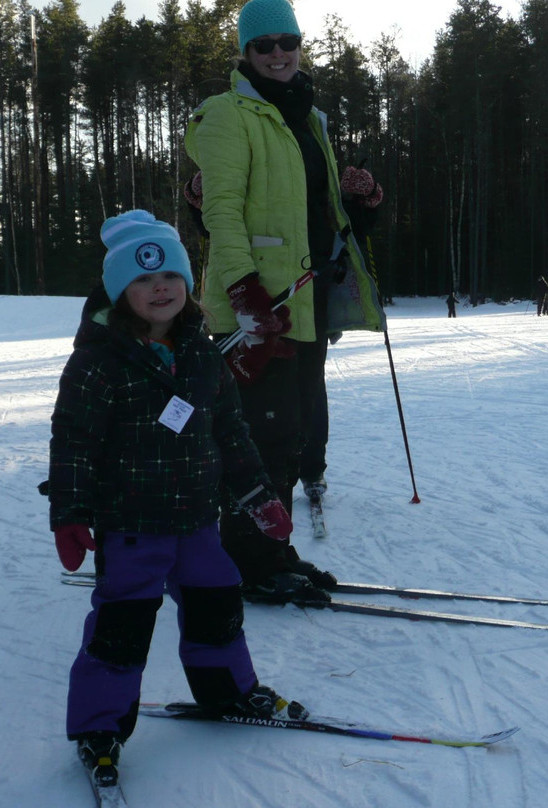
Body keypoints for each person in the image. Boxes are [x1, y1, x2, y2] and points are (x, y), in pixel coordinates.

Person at [48, 210, 307, 788]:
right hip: (131, 527)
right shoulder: (98, 361)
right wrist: (69, 513)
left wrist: (258, 496)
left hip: (197, 524)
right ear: (119, 290)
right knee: (121, 627)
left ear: (188, 283)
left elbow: (230, 433)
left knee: (218, 608)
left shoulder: (202, 354)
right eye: (141, 279)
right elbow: (74, 440)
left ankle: (228, 691)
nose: (159, 288)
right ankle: (99, 725)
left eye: (169, 275)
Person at [184, 0, 386, 604]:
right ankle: (249, 559)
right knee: (259, 437)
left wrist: (360, 205)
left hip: (304, 304)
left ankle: (270, 550)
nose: (277, 53)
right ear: (245, 53)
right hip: (256, 307)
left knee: (291, 434)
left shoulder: (309, 118)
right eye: (263, 44)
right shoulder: (226, 114)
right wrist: (244, 290)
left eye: (287, 41)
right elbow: (221, 212)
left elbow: (317, 218)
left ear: (300, 45)